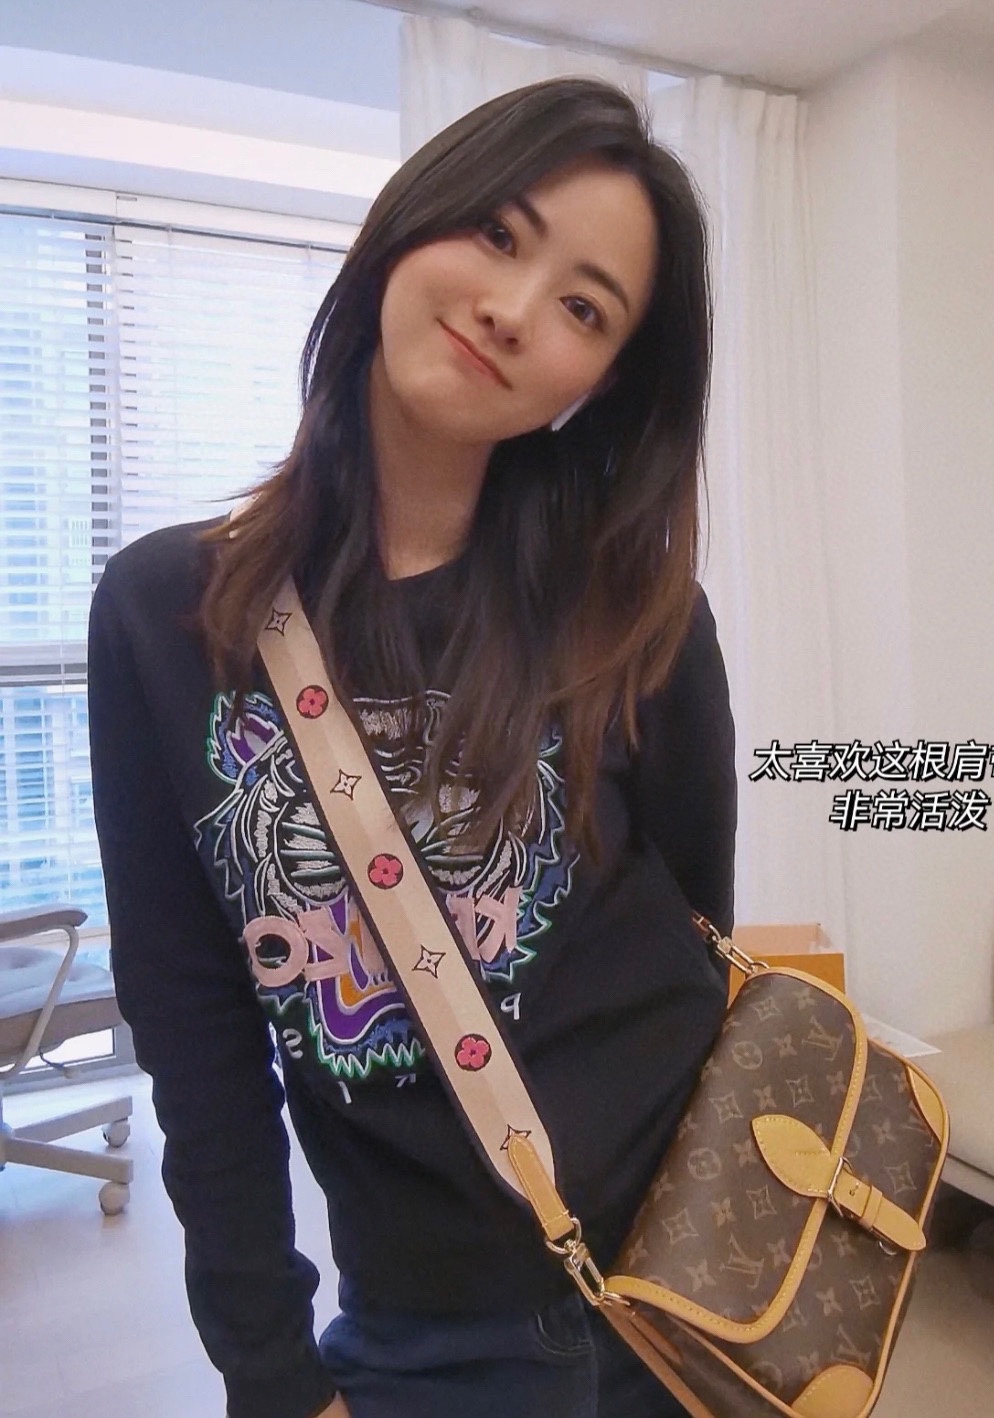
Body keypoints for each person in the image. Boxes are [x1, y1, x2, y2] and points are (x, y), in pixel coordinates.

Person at [88, 77, 736, 1418]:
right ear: (408, 223)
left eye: (584, 307)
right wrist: (271, 1372)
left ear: (600, 383)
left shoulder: (639, 618)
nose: (513, 308)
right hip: (426, 1332)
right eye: (498, 235)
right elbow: (198, 1042)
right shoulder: (169, 614)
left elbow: (695, 933)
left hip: (686, 1293)